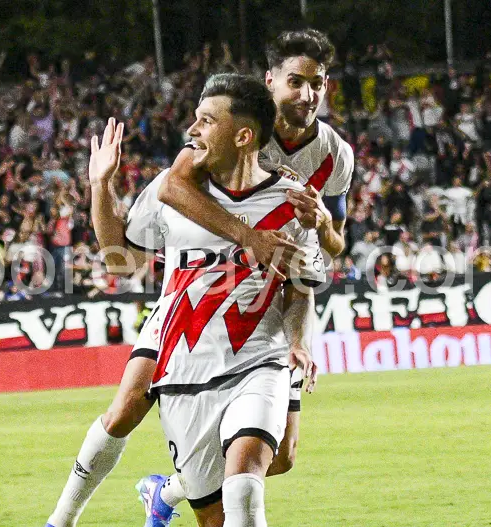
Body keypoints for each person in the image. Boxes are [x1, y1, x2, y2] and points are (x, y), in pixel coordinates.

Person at [46, 74, 320, 527]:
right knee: (130, 414)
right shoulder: (172, 188)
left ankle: (145, 496)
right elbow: (120, 261)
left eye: (205, 121)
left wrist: (298, 340)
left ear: (243, 135)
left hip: (258, 355)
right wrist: (101, 186)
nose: (191, 130)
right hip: (184, 344)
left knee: (255, 477)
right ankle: (73, 516)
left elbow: (299, 284)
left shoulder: (293, 201)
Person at [138, 29, 353, 525]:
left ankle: (166, 493)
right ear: (270, 80)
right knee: (226, 458)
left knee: (281, 456)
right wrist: (243, 235)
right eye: (296, 81)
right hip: (204, 305)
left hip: (281, 308)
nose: (307, 94)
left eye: (317, 83)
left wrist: (321, 221)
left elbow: (336, 244)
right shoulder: (230, 127)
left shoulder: (335, 155)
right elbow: (173, 187)